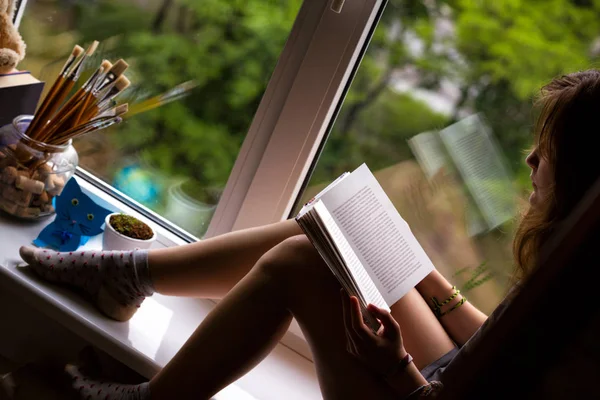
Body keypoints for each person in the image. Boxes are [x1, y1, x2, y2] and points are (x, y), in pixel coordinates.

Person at [18, 69, 600, 400]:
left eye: (545, 153)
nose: (529, 160)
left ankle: (154, 388)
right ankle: (130, 277)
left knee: (301, 261)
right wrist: (427, 277)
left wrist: (395, 366)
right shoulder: (572, 270)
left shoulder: (583, 327)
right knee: (337, 224)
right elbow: (493, 355)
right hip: (452, 377)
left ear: (577, 175)